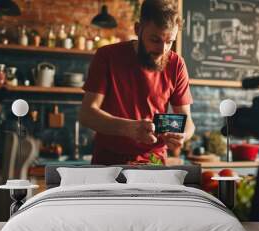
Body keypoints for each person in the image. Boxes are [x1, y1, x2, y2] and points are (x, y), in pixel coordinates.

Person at [79, 0, 195, 165]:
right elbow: (87, 114)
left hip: (154, 161)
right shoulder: (107, 56)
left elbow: (187, 121)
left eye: (169, 42)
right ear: (137, 29)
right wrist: (130, 128)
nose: (163, 50)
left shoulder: (176, 64)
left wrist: (182, 135)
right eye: (155, 40)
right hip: (109, 161)